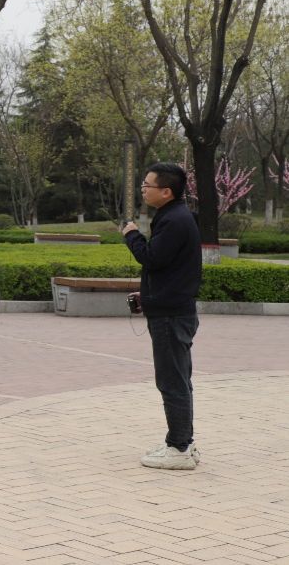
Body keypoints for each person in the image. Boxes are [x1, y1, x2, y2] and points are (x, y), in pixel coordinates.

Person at [122, 162, 202, 471]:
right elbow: (170, 268)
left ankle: (178, 448)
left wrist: (132, 235)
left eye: (147, 185)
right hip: (173, 309)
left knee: (172, 382)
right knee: (179, 380)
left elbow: (151, 258)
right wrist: (149, 294)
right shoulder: (175, 216)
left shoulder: (174, 220)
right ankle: (183, 442)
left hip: (171, 316)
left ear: (166, 191)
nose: (143, 189)